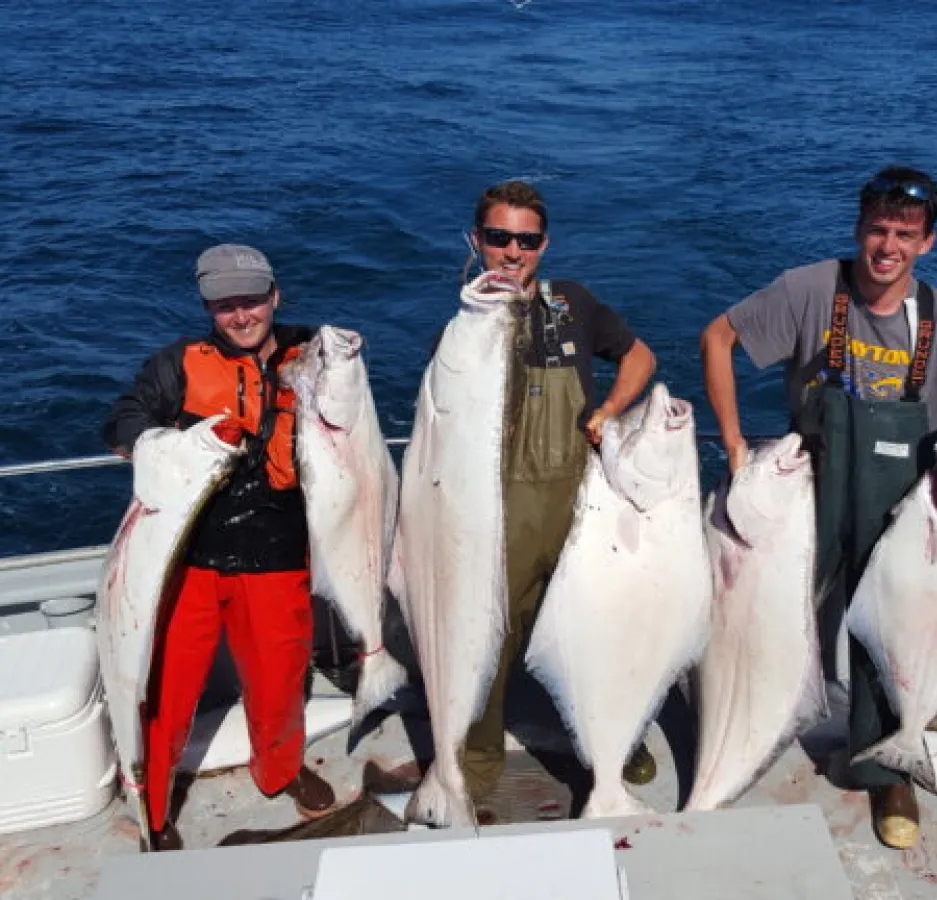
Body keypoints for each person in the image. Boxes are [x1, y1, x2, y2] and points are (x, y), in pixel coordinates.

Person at [699, 167, 937, 850]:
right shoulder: (809, 290)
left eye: (904, 234)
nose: (887, 246)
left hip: (898, 509)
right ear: (857, 229)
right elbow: (717, 338)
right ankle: (734, 733)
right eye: (877, 229)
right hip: (805, 492)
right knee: (761, 615)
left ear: (927, 242)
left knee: (880, 642)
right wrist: (730, 441)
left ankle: (885, 770)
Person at [390, 180, 658, 811]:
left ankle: (616, 742)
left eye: (526, 240)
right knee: (483, 641)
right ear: (475, 242)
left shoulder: (576, 303)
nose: (512, 253)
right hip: (494, 522)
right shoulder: (461, 332)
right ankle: (474, 755)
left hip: (579, 511)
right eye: (498, 238)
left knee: (596, 634)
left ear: (545, 244)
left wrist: (611, 411)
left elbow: (639, 356)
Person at [102, 244, 336, 851]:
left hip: (280, 551)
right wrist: (168, 443)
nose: (240, 316)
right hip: (189, 558)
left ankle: (281, 771)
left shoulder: (314, 352)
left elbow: (350, 419)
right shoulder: (176, 363)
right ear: (209, 308)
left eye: (251, 300)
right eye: (225, 305)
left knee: (280, 680)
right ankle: (154, 799)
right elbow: (123, 421)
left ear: (275, 296)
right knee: (168, 686)